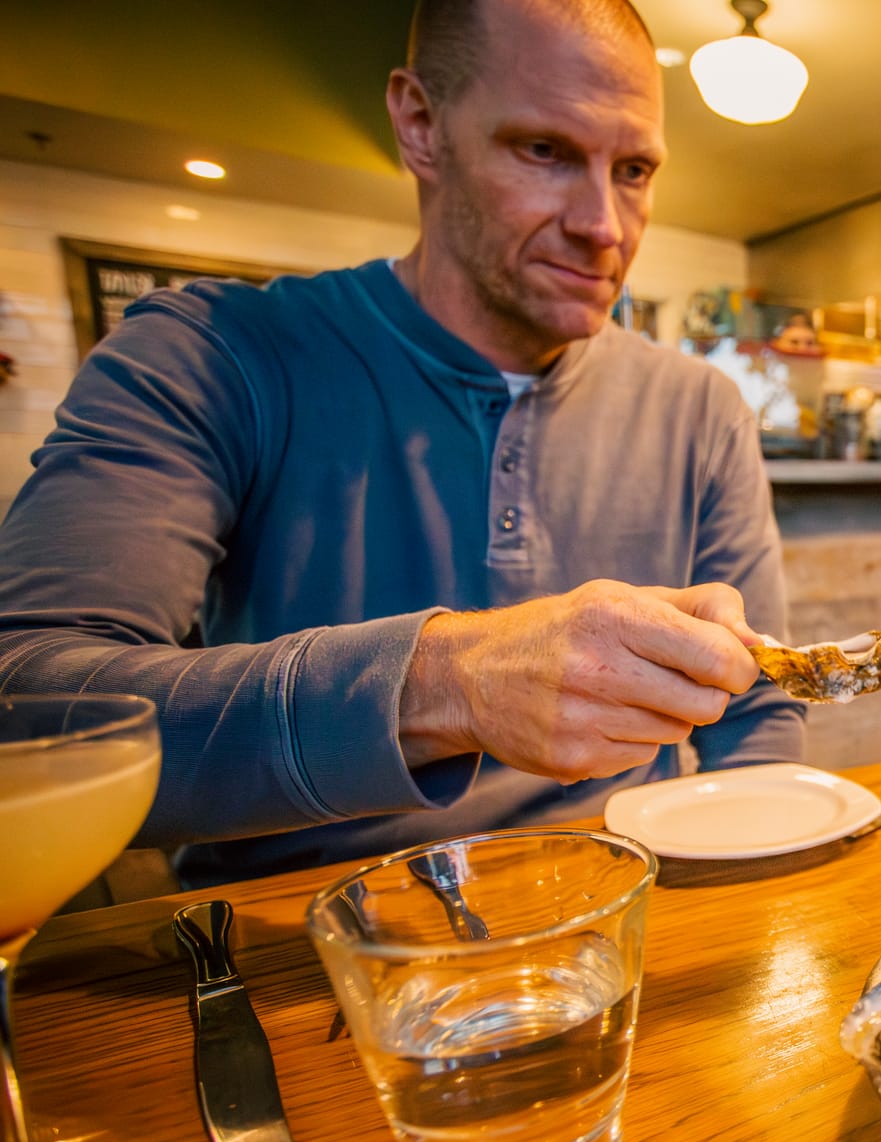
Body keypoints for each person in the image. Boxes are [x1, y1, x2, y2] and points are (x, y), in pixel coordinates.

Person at [0, 0, 805, 885]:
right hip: (297, 937)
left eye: (637, 169)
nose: (606, 226)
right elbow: (26, 709)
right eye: (545, 151)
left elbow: (756, 712)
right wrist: (448, 683)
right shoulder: (212, 355)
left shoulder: (701, 407)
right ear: (420, 125)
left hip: (627, 905)